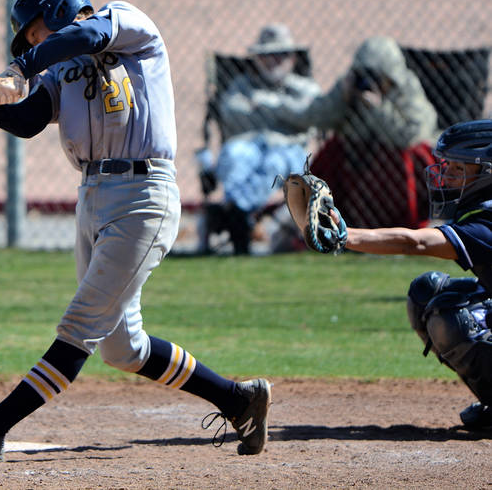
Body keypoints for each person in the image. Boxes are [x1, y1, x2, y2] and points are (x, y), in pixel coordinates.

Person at [0, 0, 271, 463]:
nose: (36, 45)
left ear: (58, 11)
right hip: (93, 196)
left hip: (144, 195)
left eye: (34, 33)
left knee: (80, 327)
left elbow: (83, 39)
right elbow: (31, 119)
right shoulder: (58, 70)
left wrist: (20, 68)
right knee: (123, 348)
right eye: (30, 42)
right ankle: (237, 399)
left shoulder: (130, 25)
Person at [313, 119, 492, 431]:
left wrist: (345, 236)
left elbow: (417, 242)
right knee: (429, 293)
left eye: (460, 169)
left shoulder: (486, 224)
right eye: (448, 165)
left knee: (451, 316)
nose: (447, 175)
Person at [297, 36, 439, 229]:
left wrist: (378, 109)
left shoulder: (406, 88)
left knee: (412, 155)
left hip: (394, 163)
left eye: (376, 75)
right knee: (332, 151)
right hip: (356, 159)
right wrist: (341, 99)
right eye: (364, 73)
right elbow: (316, 119)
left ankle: (404, 225)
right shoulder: (351, 84)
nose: (369, 79)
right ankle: (326, 222)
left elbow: (410, 135)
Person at [207, 24, 320, 254]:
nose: (274, 61)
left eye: (281, 55)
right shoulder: (242, 85)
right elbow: (230, 112)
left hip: (289, 148)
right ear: (257, 58)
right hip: (250, 143)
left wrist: (265, 104)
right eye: (267, 55)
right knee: (234, 155)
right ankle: (239, 213)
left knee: (274, 164)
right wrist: (284, 114)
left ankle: (236, 213)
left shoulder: (303, 87)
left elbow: (310, 113)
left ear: (292, 58)